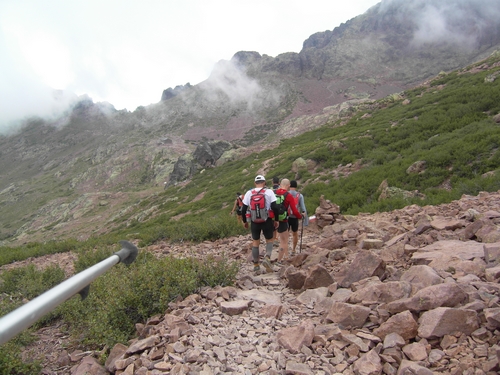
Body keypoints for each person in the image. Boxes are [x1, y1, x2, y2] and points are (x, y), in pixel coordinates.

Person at [241, 175, 279, 274]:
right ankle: (267, 257)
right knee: (269, 240)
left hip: (254, 221)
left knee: (255, 242)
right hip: (266, 220)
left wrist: (245, 221)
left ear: (255, 183)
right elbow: (275, 207)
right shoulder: (269, 192)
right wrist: (276, 220)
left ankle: (256, 265)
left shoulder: (249, 193)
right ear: (264, 182)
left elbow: (243, 209)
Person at [274, 178, 302, 263]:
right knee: (284, 241)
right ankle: (279, 260)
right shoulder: (288, 195)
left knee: (271, 240)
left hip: (273, 220)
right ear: (288, 185)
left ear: (280, 184)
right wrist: (299, 216)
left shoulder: (273, 192)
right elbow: (294, 210)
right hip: (283, 220)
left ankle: (268, 258)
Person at [288, 180, 308, 255]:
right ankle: (293, 250)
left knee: (285, 234)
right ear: (296, 187)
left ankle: (285, 250)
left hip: (287, 217)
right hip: (295, 217)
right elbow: (303, 208)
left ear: (289, 186)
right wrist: (306, 220)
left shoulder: (286, 194)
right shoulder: (300, 196)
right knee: (295, 233)